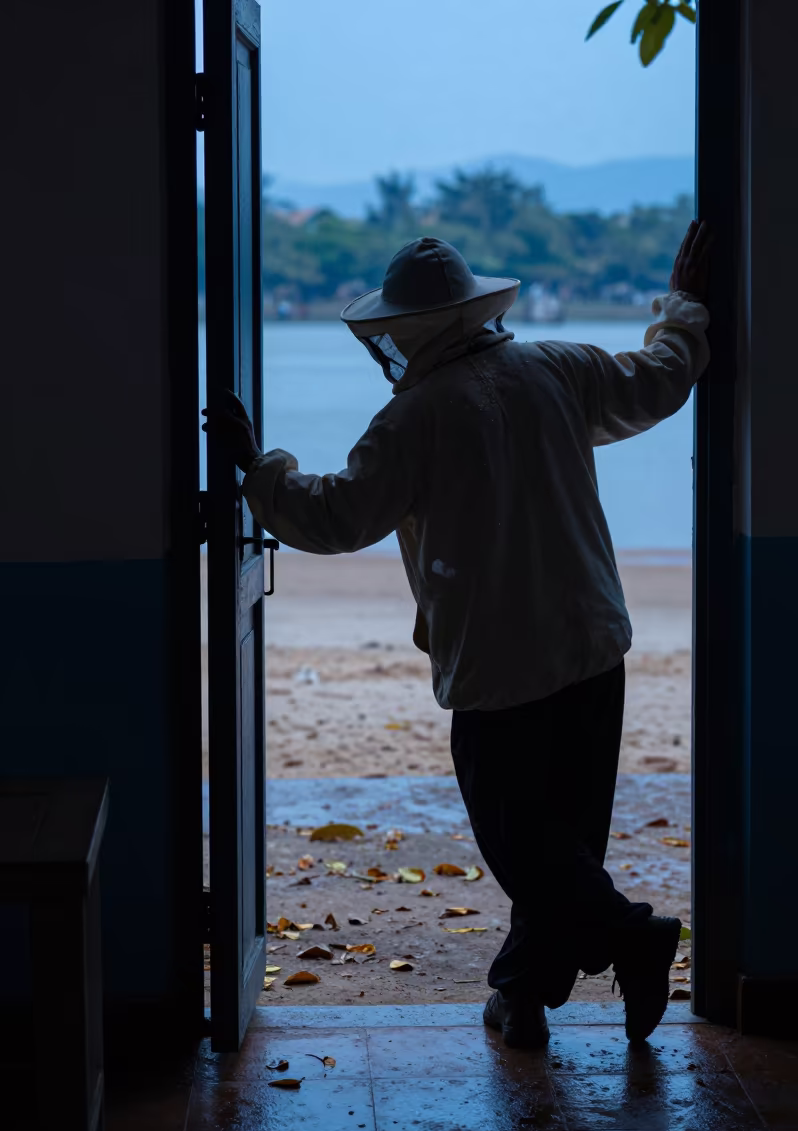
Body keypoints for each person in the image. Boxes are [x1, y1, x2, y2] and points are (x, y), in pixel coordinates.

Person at [203, 224, 711, 1048]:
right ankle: (522, 995)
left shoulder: (412, 421)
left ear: (401, 334)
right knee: (565, 847)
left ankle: (632, 937)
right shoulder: (556, 367)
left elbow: (333, 517)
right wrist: (685, 304)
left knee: (527, 850)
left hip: (496, 668)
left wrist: (257, 466)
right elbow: (661, 379)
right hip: (593, 649)